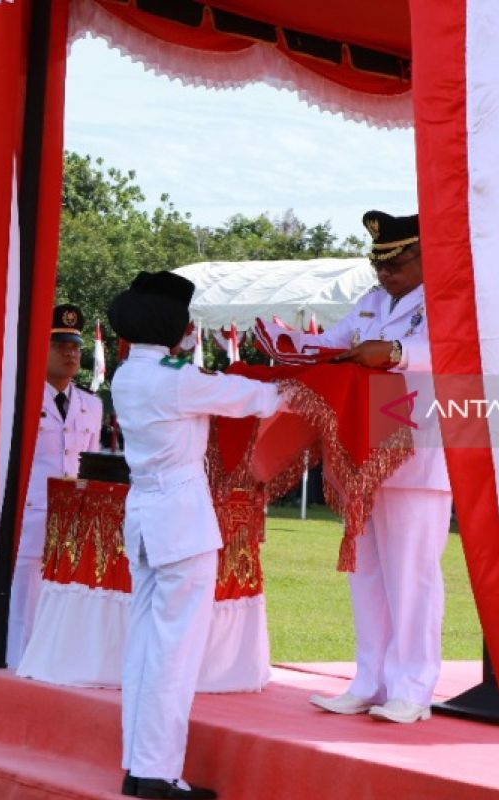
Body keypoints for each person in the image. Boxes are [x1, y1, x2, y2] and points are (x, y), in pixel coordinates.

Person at [108, 271, 288, 800]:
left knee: (144, 646)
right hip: (181, 521)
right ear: (176, 326)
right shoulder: (175, 379)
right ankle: (159, 773)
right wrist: (300, 386)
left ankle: (138, 765)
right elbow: (258, 398)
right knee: (174, 652)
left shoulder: (126, 375)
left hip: (145, 516)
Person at [273, 210, 452, 724]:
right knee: (368, 571)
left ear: (424, 256)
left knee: (413, 577)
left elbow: (452, 351)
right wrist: (291, 344)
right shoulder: (373, 302)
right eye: (378, 263)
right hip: (366, 450)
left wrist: (394, 351)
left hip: (419, 451)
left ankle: (413, 688)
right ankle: (370, 679)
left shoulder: (445, 302)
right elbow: (335, 343)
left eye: (395, 263)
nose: (383, 272)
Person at [5, 303, 103, 668]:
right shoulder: (24, 400)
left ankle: (55, 668)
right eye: (60, 345)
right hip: (31, 516)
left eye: (75, 347)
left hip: (73, 522)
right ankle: (17, 667)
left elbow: (91, 465)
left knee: (66, 601)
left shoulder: (91, 406)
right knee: (24, 602)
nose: (70, 353)